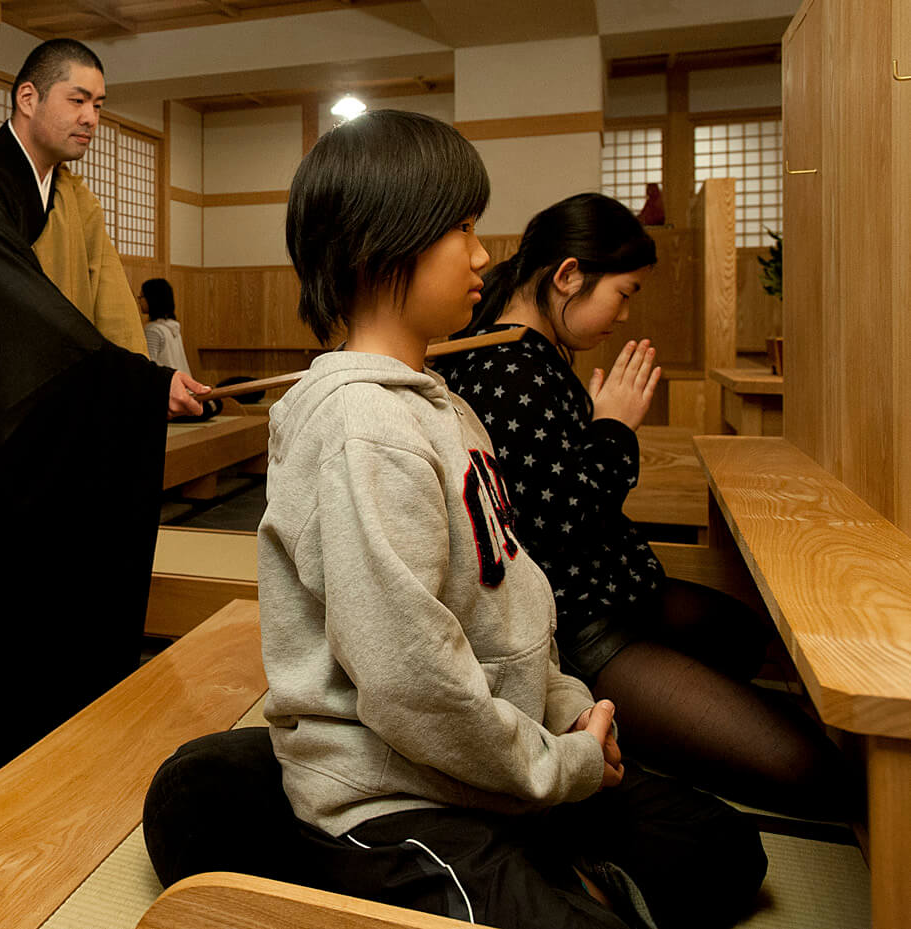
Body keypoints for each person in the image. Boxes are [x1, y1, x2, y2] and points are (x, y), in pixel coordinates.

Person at [142, 111, 765, 929]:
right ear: (379, 246)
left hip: (489, 766)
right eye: (460, 228)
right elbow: (411, 677)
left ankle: (550, 862)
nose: (481, 254)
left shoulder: (449, 409)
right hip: (397, 796)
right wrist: (561, 764)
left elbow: (515, 601)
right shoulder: (360, 426)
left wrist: (570, 710)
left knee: (725, 849)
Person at [434, 192, 855, 819]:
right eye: (624, 293)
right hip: (574, 626)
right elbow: (560, 525)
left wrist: (602, 430)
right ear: (569, 276)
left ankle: (667, 708)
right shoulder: (505, 365)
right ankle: (619, 720)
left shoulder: (526, 345)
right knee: (813, 772)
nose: (625, 315)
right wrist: (615, 429)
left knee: (745, 639)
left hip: (616, 587)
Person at [0, 38, 207, 788]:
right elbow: (8, 312)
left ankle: (33, 720)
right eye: (76, 99)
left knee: (32, 565)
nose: (91, 116)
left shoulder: (75, 199)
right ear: (27, 98)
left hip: (35, 406)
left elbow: (109, 313)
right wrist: (130, 383)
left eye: (98, 103)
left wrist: (149, 385)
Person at [139, 277, 192, 376]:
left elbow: (149, 365)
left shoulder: (153, 330)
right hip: (181, 384)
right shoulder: (172, 326)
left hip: (166, 387)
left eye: (141, 296)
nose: (139, 301)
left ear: (152, 298)